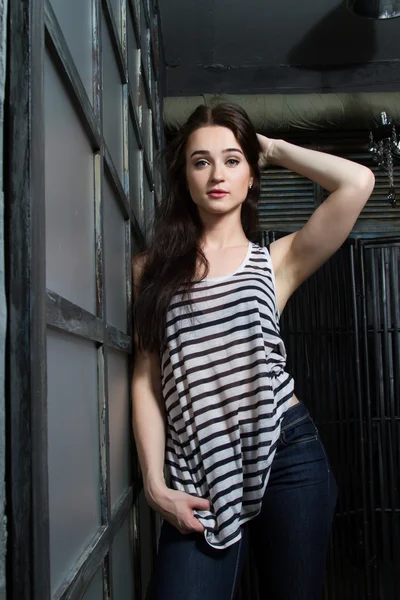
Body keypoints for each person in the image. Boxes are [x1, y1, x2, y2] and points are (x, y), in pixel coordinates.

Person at [131, 103, 375, 600]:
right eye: (201, 162)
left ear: (250, 175)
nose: (217, 174)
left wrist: (274, 148)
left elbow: (358, 183)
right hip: (197, 468)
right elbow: (145, 378)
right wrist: (155, 484)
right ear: (185, 177)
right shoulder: (150, 270)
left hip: (290, 457)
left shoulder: (276, 260)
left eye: (232, 160)